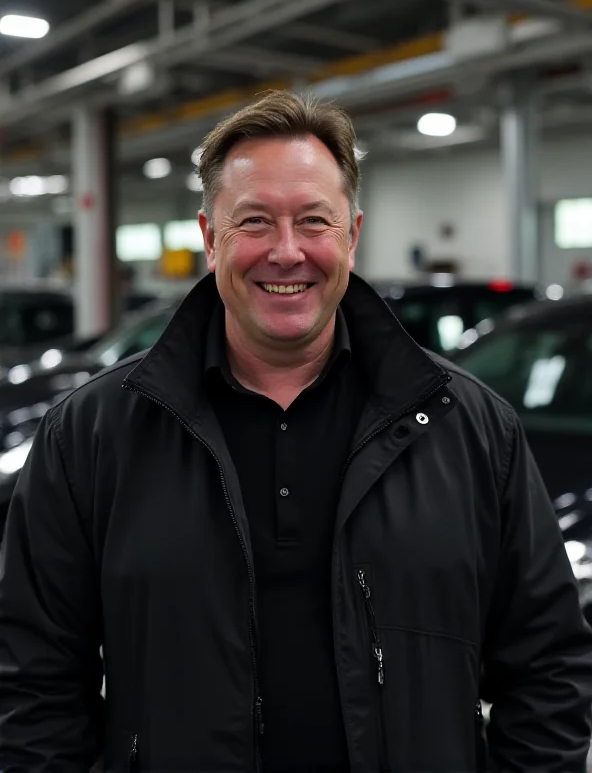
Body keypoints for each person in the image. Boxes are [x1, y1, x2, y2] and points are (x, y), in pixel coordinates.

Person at [0, 90, 590, 773]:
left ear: (352, 235)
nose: (287, 252)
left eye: (314, 221)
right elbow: (32, 684)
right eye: (254, 221)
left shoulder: (471, 427)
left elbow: (548, 667)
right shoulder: (93, 433)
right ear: (210, 237)